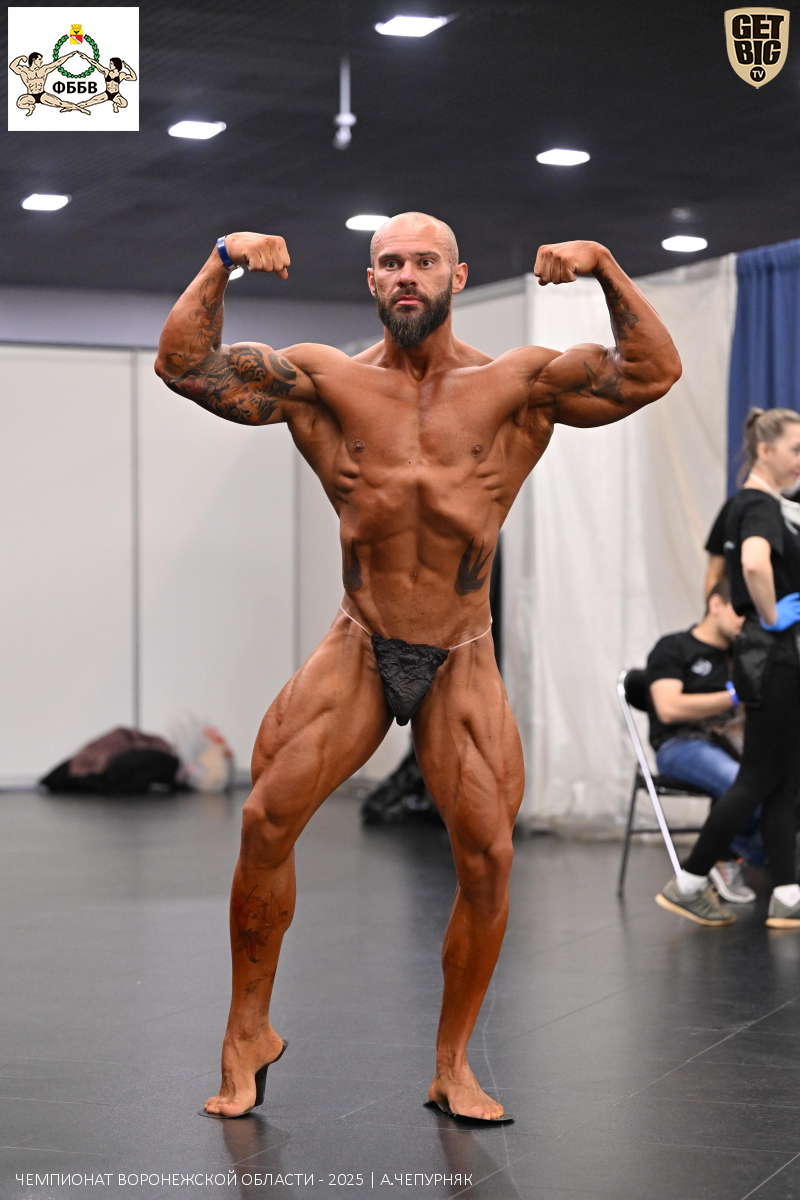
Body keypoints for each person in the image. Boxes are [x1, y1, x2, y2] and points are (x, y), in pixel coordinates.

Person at [155, 216, 681, 1120]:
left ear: (456, 276)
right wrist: (221, 261)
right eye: (390, 263)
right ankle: (247, 1031)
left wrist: (603, 265)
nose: (407, 274)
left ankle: (453, 1064)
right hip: (361, 641)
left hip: (460, 650)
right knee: (264, 820)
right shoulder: (325, 381)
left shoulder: (517, 385)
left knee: (488, 859)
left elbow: (652, 373)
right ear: (371, 281)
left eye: (424, 262)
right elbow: (183, 365)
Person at [657, 408, 800, 928]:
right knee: (760, 777)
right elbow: (754, 562)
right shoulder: (760, 504)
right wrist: (770, 616)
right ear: (765, 450)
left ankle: (787, 894)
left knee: (782, 781)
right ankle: (690, 882)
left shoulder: (759, 504)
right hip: (775, 656)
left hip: (773, 656)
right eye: (796, 450)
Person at [646, 577, 758, 902]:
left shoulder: (743, 653)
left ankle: (724, 856)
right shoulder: (674, 647)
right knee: (743, 786)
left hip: (733, 745)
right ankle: (722, 858)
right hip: (681, 744)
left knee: (779, 786)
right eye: (740, 612)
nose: (746, 622)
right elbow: (668, 708)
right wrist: (734, 698)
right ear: (715, 604)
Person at [9, 50, 90, 116]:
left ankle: (80, 109)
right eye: (39, 59)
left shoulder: (44, 69)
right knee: (20, 103)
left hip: (42, 95)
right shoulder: (24, 71)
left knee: (60, 103)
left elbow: (57, 63)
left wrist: (69, 55)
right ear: (34, 60)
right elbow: (12, 66)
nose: (41, 61)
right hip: (30, 95)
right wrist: (21, 57)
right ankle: (30, 107)